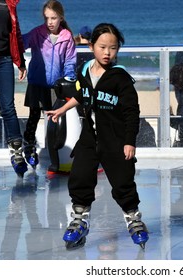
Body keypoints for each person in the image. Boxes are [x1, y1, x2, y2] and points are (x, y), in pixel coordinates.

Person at [46, 23, 149, 250]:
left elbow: (132, 112)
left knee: (123, 181)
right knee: (80, 175)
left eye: (113, 48)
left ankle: (133, 217)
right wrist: (62, 109)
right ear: (92, 46)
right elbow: (81, 95)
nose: (107, 53)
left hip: (115, 139)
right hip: (90, 137)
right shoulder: (85, 71)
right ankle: (80, 218)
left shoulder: (120, 78)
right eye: (103, 47)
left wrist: (130, 141)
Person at [22, 0, 76, 169]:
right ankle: (29, 148)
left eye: (53, 18)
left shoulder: (67, 37)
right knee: (34, 116)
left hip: (56, 86)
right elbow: (20, 44)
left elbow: (70, 62)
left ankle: (55, 156)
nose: (50, 22)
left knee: (55, 120)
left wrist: (68, 79)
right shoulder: (37, 33)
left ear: (61, 17)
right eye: (46, 18)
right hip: (37, 83)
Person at [0, 0, 27, 176]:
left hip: (4, 60)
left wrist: (21, 62)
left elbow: (16, 33)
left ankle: (16, 150)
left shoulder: (9, 4)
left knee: (8, 107)